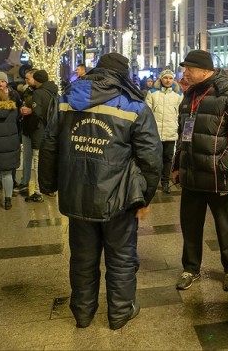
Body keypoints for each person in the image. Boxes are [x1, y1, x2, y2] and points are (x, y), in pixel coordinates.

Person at [39, 52, 162, 330]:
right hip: (118, 197)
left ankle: (83, 313)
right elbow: (151, 157)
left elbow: (49, 144)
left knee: (82, 257)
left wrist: (48, 185)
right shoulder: (134, 105)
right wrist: (144, 196)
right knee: (120, 258)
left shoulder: (67, 100)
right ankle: (120, 313)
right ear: (123, 74)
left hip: (76, 194)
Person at [171, 49, 228, 292]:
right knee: (190, 226)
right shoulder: (189, 96)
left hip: (219, 177)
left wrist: (224, 164)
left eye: (189, 69)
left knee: (225, 226)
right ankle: (190, 268)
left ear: (205, 70)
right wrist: (177, 165)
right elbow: (183, 135)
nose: (185, 73)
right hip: (191, 175)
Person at [20, 69, 58, 202]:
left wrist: (30, 127)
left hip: (39, 132)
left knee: (37, 162)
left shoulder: (38, 93)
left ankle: (37, 191)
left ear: (37, 80)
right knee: (49, 161)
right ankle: (51, 188)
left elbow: (36, 114)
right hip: (52, 131)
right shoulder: (54, 91)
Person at [145, 69, 183, 194]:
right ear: (161, 79)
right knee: (155, 159)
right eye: (165, 78)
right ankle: (153, 182)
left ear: (173, 80)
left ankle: (165, 182)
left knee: (167, 158)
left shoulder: (178, 95)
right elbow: (147, 113)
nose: (168, 80)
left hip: (171, 132)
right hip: (155, 133)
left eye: (170, 78)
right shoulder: (152, 93)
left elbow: (181, 114)